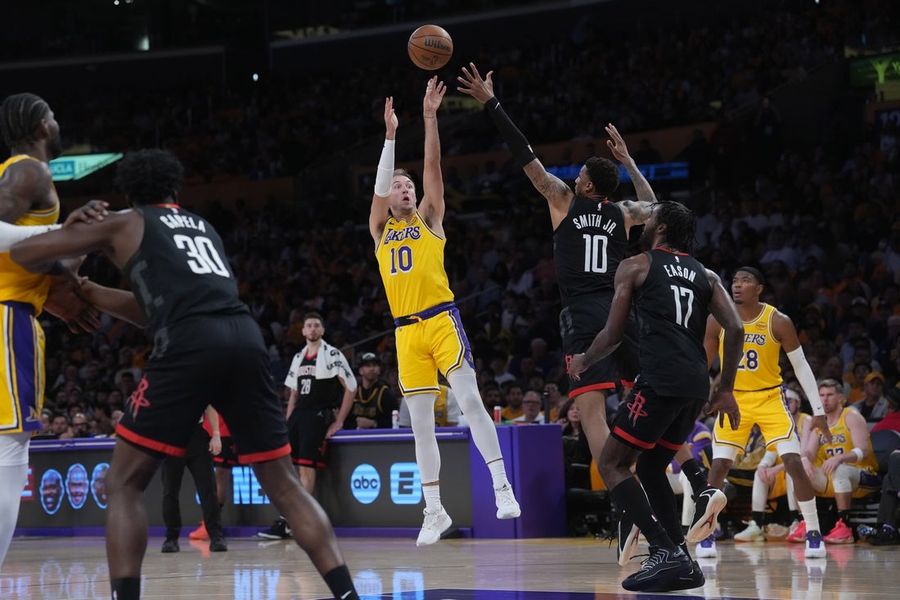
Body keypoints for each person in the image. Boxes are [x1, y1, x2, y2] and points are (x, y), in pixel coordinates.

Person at [10, 149, 358, 600]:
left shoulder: (126, 221)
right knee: (286, 487)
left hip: (189, 343)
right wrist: (91, 292)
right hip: (244, 337)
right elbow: (154, 311)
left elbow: (24, 253)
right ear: (174, 188)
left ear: (129, 194)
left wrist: (72, 230)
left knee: (123, 484)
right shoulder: (202, 227)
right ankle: (346, 594)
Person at [458, 62, 654, 472]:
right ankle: (660, 476)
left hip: (584, 314)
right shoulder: (623, 212)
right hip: (622, 310)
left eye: (580, 174)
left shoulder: (563, 199)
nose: (575, 176)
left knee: (592, 412)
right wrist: (630, 162)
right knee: (643, 397)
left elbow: (525, 155)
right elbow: (653, 208)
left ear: (587, 185)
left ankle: (621, 490)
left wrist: (492, 104)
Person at [370, 78, 519, 546]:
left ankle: (501, 485)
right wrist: (391, 136)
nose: (405, 189)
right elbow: (378, 188)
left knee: (470, 400)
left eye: (409, 186)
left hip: (441, 320)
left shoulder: (430, 218)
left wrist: (430, 118)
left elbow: (432, 167)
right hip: (405, 333)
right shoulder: (379, 230)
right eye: (398, 186)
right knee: (421, 424)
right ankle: (433, 510)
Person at [568, 201, 743, 592]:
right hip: (695, 384)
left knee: (612, 463)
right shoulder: (707, 275)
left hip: (660, 379)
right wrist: (726, 387)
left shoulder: (636, 266)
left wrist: (585, 359)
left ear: (660, 227)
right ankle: (682, 560)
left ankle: (663, 549)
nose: (644, 225)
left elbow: (613, 335)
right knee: (650, 466)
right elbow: (735, 327)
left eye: (649, 220)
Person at [0, 92, 106, 568]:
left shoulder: (18, 174)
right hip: (5, 317)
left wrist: (67, 265)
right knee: (8, 451)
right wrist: (60, 233)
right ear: (42, 125)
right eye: (54, 115)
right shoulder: (29, 170)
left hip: (17, 309)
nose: (58, 122)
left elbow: (32, 258)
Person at [691, 266, 830, 559]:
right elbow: (701, 364)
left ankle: (813, 531)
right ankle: (707, 532)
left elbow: (801, 366)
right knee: (719, 466)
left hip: (770, 398)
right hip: (733, 398)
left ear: (759, 289)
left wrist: (817, 409)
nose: (737, 285)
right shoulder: (717, 320)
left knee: (793, 461)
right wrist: (692, 396)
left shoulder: (778, 321)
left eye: (745, 281)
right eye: (734, 280)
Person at [258, 312, 356, 539]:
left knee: (305, 468)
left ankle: (296, 522)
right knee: (288, 469)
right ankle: (288, 519)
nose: (312, 329)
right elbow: (293, 393)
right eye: (308, 325)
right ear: (302, 331)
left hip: (318, 414)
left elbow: (351, 387)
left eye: (316, 325)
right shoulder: (298, 356)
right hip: (298, 416)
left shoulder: (332, 354)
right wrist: (288, 420)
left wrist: (339, 420)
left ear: (322, 330)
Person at [799, 379, 880, 544]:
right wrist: (804, 459)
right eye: (821, 395)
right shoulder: (820, 422)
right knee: (797, 471)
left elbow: (863, 450)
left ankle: (845, 527)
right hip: (835, 478)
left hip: (864, 474)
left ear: (841, 398)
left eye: (829, 395)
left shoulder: (851, 416)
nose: (824, 399)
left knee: (840, 469)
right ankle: (805, 524)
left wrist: (839, 458)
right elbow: (809, 452)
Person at [732, 389, 810, 542]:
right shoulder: (778, 421)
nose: (786, 403)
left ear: (798, 403)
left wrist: (777, 468)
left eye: (789, 400)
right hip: (779, 472)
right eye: (783, 400)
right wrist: (763, 465)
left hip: (804, 469)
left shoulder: (806, 420)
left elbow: (805, 454)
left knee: (792, 471)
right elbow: (772, 450)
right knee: (759, 473)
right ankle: (756, 525)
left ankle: (796, 522)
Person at [160, 405, 226, 553]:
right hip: (171, 437)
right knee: (170, 492)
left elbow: (209, 406)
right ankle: (171, 538)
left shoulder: (198, 388)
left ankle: (216, 536)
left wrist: (216, 434)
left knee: (208, 490)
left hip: (197, 436)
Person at [346, 352, 397, 429]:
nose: (372, 368)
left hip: (379, 435)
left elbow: (394, 421)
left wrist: (373, 423)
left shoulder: (385, 393)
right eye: (368, 365)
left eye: (375, 365)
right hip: (354, 434)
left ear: (379, 370)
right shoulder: (353, 392)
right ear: (360, 370)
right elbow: (345, 419)